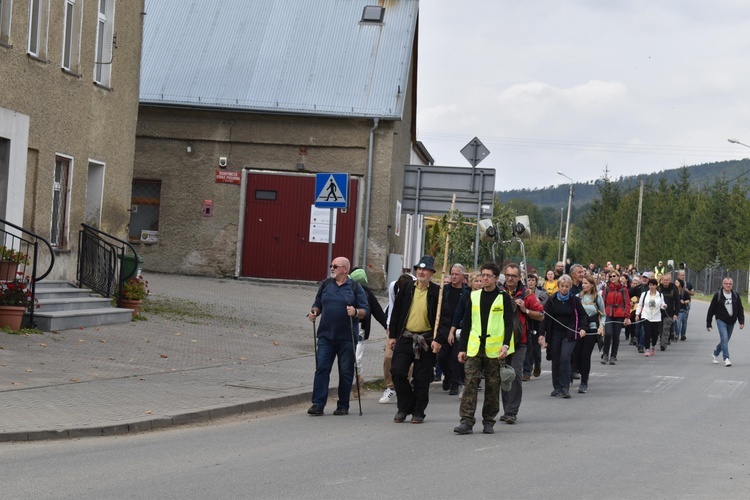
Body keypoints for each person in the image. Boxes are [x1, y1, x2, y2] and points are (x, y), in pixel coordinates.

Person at [453, 262, 514, 435]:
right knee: (470, 382)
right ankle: (466, 421)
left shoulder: (503, 298)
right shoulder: (473, 296)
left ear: (496, 278)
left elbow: (509, 323)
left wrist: (505, 344)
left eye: (488, 275)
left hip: (494, 350)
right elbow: (467, 324)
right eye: (482, 275)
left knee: (493, 386)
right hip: (474, 348)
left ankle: (489, 421)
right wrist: (462, 348)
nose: (484, 278)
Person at [388, 255, 448, 424]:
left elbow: (444, 319)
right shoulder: (407, 288)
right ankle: (404, 406)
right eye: (419, 269)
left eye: (425, 269)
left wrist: (438, 340)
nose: (421, 272)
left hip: (427, 340)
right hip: (406, 336)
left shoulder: (438, 292)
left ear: (431, 273)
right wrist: (393, 335)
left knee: (422, 378)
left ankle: (418, 411)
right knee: (398, 372)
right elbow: (396, 313)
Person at [307, 257, 369, 416]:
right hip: (326, 336)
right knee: (321, 369)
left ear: (345, 269)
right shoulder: (326, 284)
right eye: (331, 266)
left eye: (335, 266)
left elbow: (365, 311)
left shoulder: (355, 288)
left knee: (346, 372)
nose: (332, 268)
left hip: (347, 337)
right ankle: (317, 404)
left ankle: (343, 405)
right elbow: (318, 303)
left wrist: (355, 312)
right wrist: (314, 312)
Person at [500, 263, 544, 424]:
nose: (510, 278)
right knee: (504, 376)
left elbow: (540, 315)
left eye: (514, 276)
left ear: (519, 278)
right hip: (500, 341)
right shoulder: (499, 292)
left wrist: (525, 309)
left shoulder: (527, 295)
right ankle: (506, 409)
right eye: (508, 275)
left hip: (520, 341)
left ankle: (512, 411)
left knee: (516, 375)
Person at [539, 274, 587, 398]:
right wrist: (541, 334)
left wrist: (582, 328)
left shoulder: (574, 301)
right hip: (554, 333)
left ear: (570, 287)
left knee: (565, 358)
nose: (564, 289)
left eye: (567, 286)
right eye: (562, 286)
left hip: (569, 333)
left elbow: (583, 315)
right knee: (556, 359)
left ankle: (565, 387)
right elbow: (545, 318)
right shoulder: (551, 300)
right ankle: (557, 387)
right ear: (558, 286)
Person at [348, 268, 387, 398]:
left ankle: (359, 381)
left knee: (356, 358)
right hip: (346, 330)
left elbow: (377, 311)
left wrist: (387, 326)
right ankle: (350, 383)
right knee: (348, 358)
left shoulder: (367, 293)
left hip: (361, 330)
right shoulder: (345, 292)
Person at [379, 273, 414, 404]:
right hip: (395, 328)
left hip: (409, 329)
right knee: (388, 356)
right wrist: (389, 326)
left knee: (407, 361)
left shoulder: (416, 287)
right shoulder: (393, 286)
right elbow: (392, 306)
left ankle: (404, 387)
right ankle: (390, 386)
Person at [448, 271, 483, 397]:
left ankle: (472, 383)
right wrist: (452, 332)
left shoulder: (486, 296)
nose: (479, 284)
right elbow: (458, 314)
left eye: (481, 281)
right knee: (462, 359)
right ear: (471, 282)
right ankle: (463, 384)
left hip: (482, 333)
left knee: (477, 361)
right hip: (467, 331)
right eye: (476, 281)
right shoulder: (466, 296)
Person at [437, 264, 468, 395]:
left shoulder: (466, 292)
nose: (454, 277)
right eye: (452, 274)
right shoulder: (445, 290)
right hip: (445, 327)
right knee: (441, 356)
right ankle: (448, 375)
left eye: (457, 274)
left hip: (460, 328)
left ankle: (455, 384)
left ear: (462, 276)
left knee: (456, 357)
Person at [574, 275, 604, 393]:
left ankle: (584, 382)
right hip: (580, 329)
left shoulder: (597, 298)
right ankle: (582, 372)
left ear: (592, 284)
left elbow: (603, 314)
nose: (584, 285)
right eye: (583, 283)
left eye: (586, 283)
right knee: (577, 355)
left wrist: (601, 327)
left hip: (592, 329)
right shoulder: (577, 297)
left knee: (585, 355)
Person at [707, 277, 745, 367]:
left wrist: (741, 321)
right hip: (721, 320)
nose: (728, 285)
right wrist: (708, 323)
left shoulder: (735, 295)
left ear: (732, 285)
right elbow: (711, 309)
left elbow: (740, 308)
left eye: (730, 284)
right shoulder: (718, 295)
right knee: (724, 338)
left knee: (726, 340)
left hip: (731, 321)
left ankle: (715, 353)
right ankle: (726, 358)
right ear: (723, 285)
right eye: (726, 283)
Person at [600, 270, 631, 365]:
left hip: (619, 314)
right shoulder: (607, 289)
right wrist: (601, 314)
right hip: (608, 313)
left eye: (614, 276)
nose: (612, 278)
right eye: (610, 277)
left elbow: (627, 303)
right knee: (608, 334)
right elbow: (602, 302)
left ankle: (613, 355)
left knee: (616, 336)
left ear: (618, 277)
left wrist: (627, 316)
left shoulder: (623, 289)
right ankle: (605, 354)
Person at [522, 273, 548, 381]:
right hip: (527, 322)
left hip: (537, 323)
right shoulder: (522, 293)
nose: (531, 282)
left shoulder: (542, 294)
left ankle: (537, 364)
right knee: (527, 347)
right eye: (528, 280)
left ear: (536, 282)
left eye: (533, 280)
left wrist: (533, 299)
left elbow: (542, 308)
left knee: (536, 348)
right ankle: (527, 371)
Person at [634, 278, 665, 357]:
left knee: (655, 334)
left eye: (653, 285)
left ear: (656, 286)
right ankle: (647, 348)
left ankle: (653, 346)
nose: (651, 287)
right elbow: (640, 305)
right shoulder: (644, 294)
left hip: (656, 317)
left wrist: (664, 306)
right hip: (646, 316)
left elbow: (662, 304)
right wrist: (637, 314)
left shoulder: (660, 295)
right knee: (646, 333)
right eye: (650, 285)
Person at [657, 273, 679, 351]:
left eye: (667, 280)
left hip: (669, 313)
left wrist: (676, 314)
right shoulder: (658, 289)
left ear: (669, 281)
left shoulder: (673, 289)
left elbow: (677, 302)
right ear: (661, 281)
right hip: (659, 313)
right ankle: (662, 340)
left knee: (666, 328)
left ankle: (663, 344)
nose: (665, 281)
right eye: (664, 280)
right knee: (660, 329)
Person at [629, 273, 650, 353]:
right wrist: (630, 302)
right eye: (643, 278)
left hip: (647, 311)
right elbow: (628, 294)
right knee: (637, 329)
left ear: (648, 279)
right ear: (641, 279)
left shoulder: (651, 288)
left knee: (643, 329)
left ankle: (641, 345)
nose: (644, 279)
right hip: (638, 311)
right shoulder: (637, 288)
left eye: (646, 278)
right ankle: (638, 340)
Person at [675, 269, 695, 340]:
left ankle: (683, 334)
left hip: (685, 306)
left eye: (683, 275)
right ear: (678, 276)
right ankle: (676, 334)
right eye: (681, 275)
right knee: (677, 321)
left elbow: (693, 293)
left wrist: (688, 291)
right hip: (677, 306)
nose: (682, 277)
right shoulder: (675, 284)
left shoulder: (688, 284)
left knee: (684, 321)